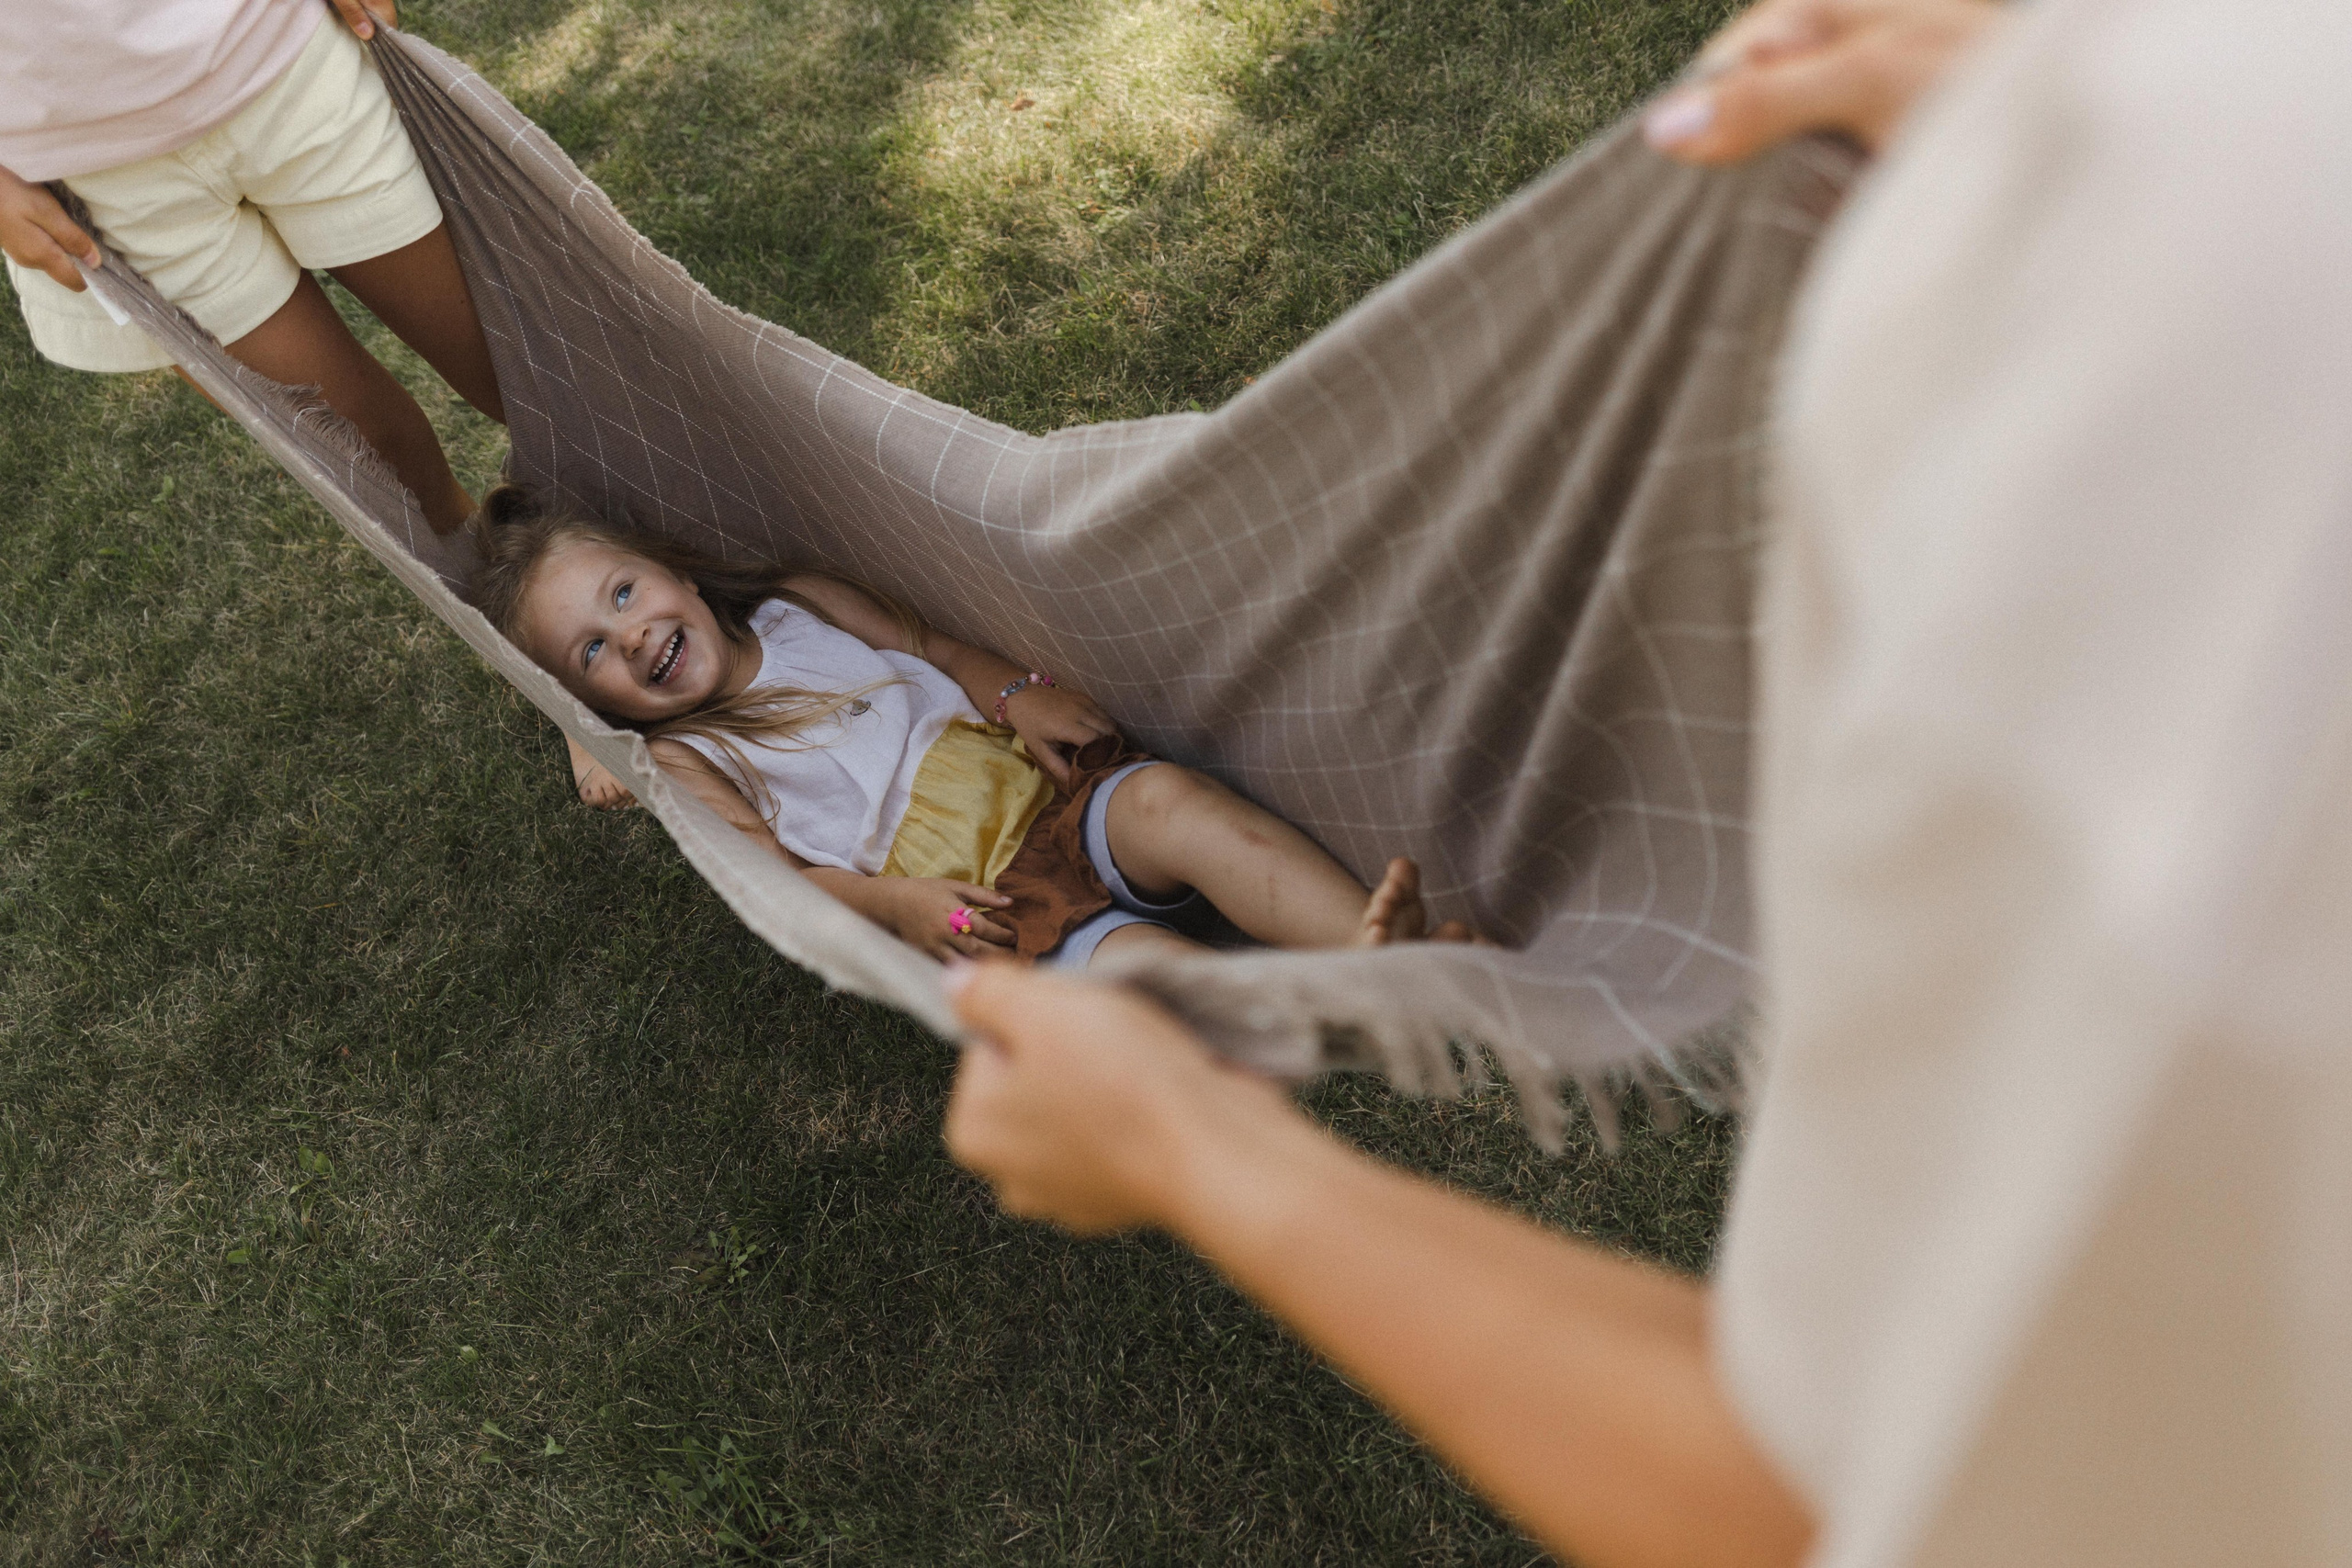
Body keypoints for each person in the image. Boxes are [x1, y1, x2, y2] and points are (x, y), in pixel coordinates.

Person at [942, 1, 2352, 1565]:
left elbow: (1819, 1499)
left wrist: (1193, 1148)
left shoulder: (2194, 819)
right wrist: (2091, 114)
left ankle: (1364, 961)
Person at [473, 484, 1467, 964]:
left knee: (1170, 801)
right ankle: (1301, 1017)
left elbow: (942, 651)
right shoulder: (689, 756)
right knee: (1138, 979)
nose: (630, 635)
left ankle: (1378, 952)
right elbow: (778, 881)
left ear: (678, 575)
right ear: (600, 705)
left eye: (623, 592)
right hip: (973, 908)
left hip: (1052, 797)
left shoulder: (798, 603)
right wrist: (892, 909)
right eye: (592, 653)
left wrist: (1015, 692)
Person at [0, 0, 503, 536]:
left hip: (287, 61)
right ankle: (500, 576)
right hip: (99, 190)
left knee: (510, 361)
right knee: (380, 466)